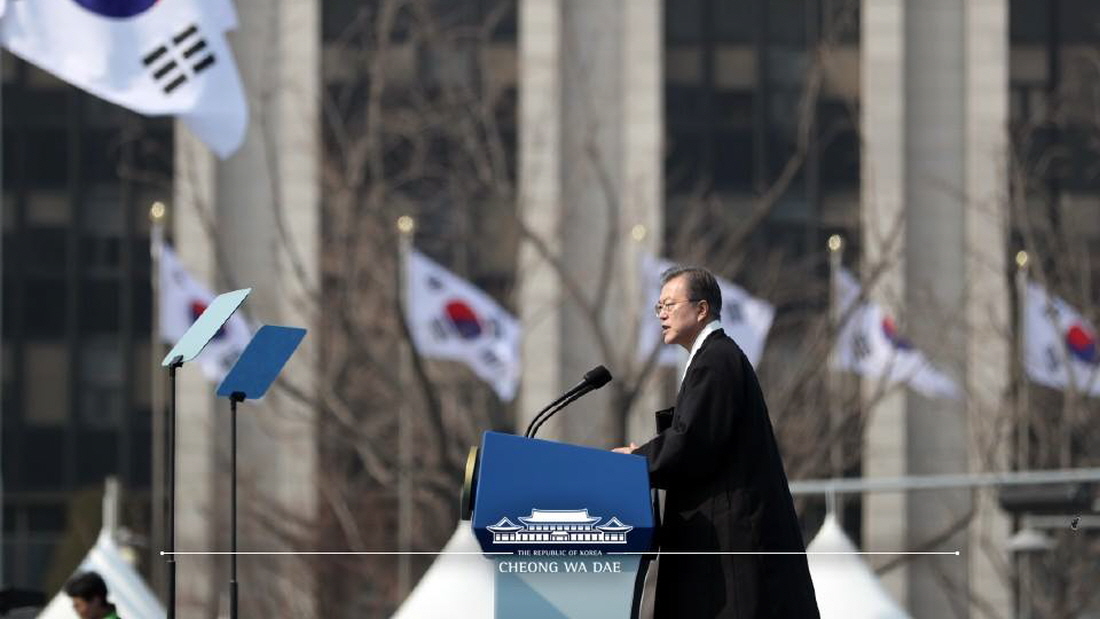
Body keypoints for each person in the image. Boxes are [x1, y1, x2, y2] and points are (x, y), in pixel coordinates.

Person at [614, 266, 819, 618]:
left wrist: (637, 460)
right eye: (658, 307)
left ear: (701, 309)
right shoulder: (715, 358)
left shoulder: (716, 359)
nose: (661, 313)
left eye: (669, 304)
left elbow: (693, 443)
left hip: (731, 550)